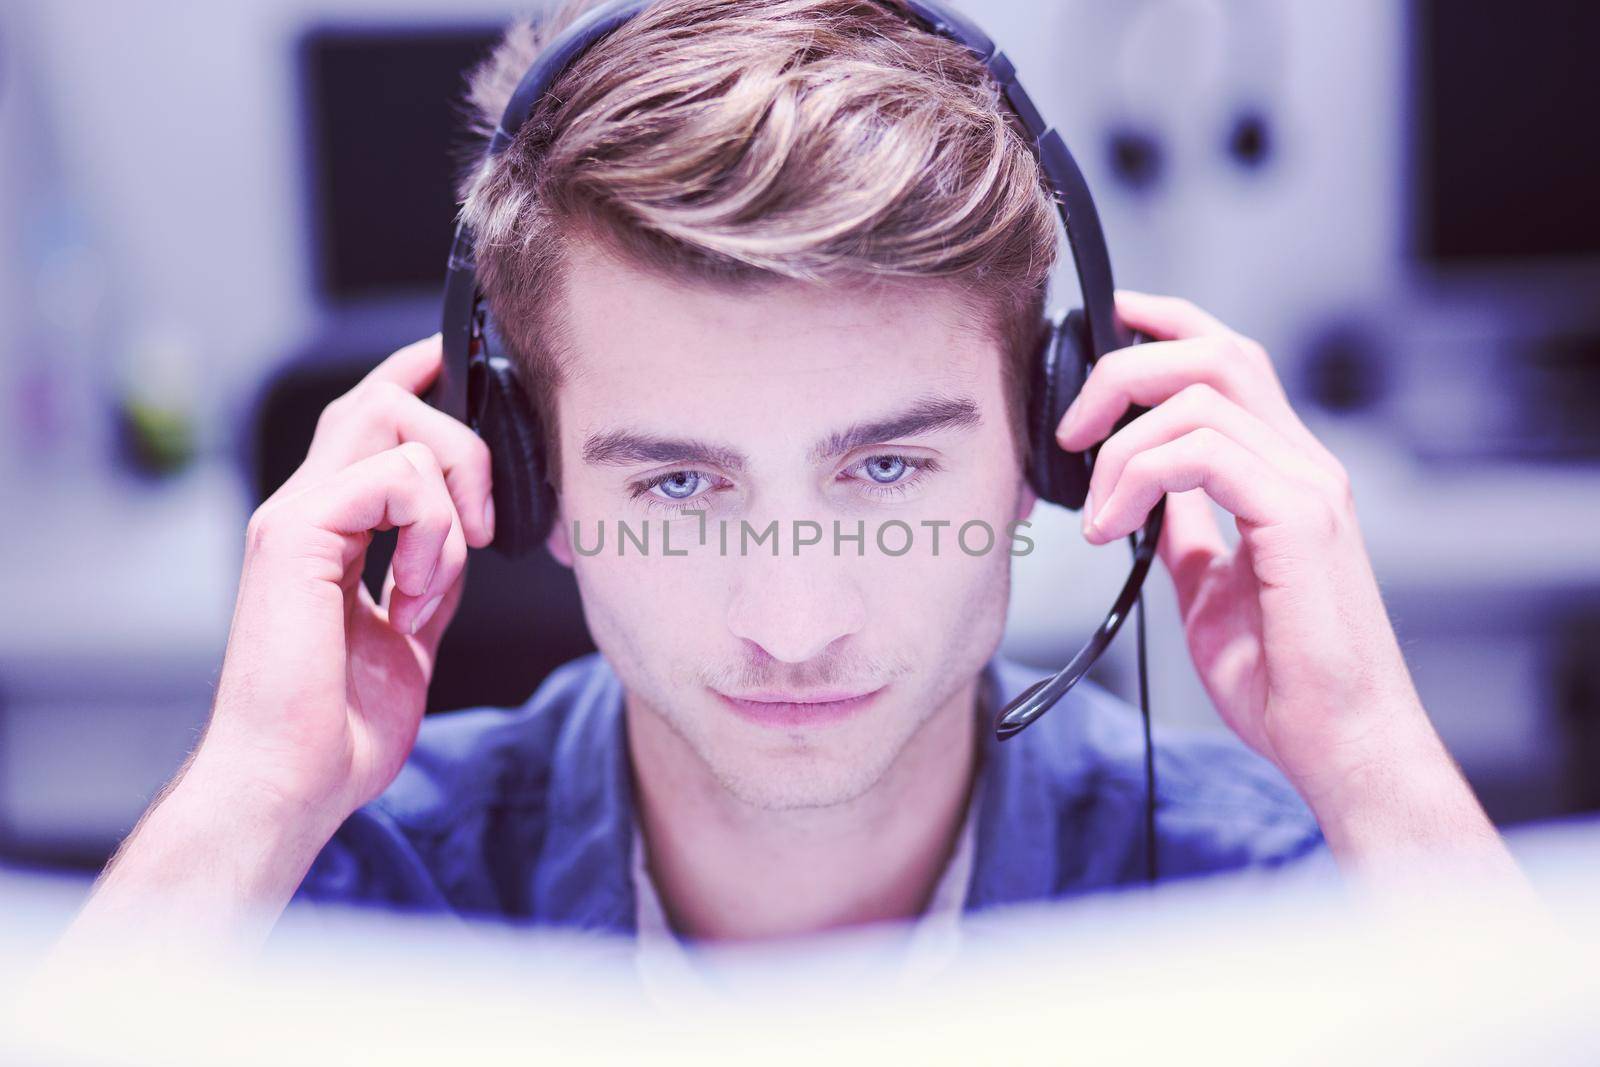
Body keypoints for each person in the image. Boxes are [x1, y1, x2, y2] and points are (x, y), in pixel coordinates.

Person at [59, 0, 1520, 960]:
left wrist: (1374, 763)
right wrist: (247, 797)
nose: (796, 619)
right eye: (679, 489)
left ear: (1048, 444)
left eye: (887, 469)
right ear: (524, 474)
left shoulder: (1268, 909)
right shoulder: (318, 915)